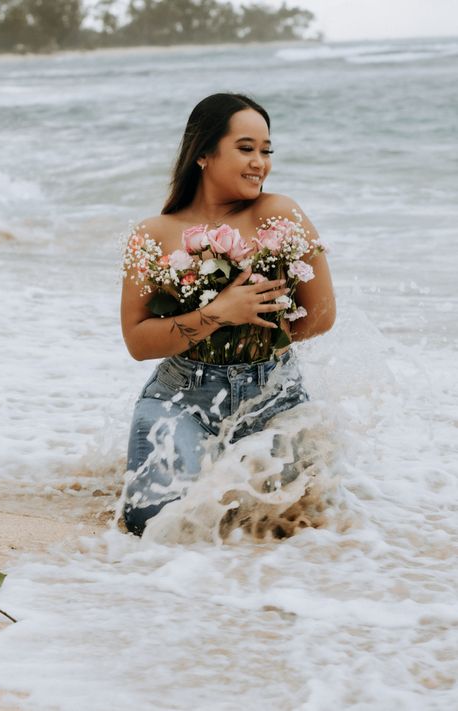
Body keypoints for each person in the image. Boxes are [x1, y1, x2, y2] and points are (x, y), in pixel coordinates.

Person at [120, 92, 336, 537]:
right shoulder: (153, 234)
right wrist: (218, 313)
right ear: (203, 153)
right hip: (183, 399)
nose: (260, 162)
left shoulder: (280, 214)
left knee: (304, 522)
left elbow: (322, 315)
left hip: (274, 395)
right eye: (246, 148)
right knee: (153, 524)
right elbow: (138, 342)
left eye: (266, 150)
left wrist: (258, 339)